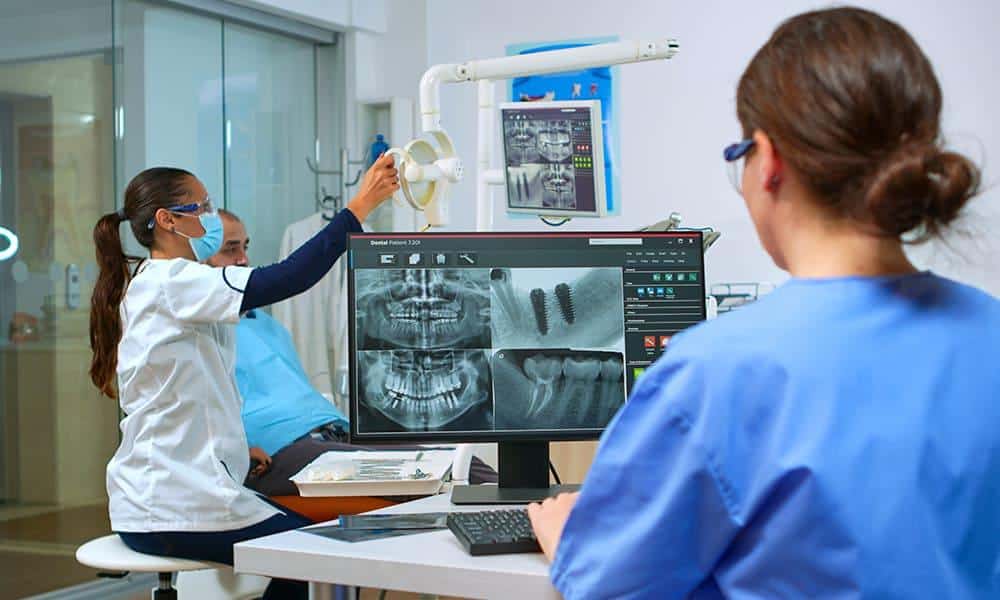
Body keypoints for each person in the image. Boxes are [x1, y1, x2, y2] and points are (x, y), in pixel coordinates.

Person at [527, 8, 999, 599]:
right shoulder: (988, 334)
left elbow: (611, 587)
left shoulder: (714, 373)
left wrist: (570, 543)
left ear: (768, 161)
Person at [89, 154, 398, 600]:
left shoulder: (166, 283)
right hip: (176, 506)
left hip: (165, 500)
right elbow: (290, 277)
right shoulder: (171, 281)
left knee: (297, 559)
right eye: (203, 206)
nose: (212, 216)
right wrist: (360, 207)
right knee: (308, 554)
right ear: (166, 220)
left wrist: (234, 448)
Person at [207, 208, 498, 495]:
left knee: (467, 465)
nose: (243, 259)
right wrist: (238, 451)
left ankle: (539, 526)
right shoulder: (200, 331)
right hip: (279, 452)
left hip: (334, 431)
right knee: (426, 477)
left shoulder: (266, 324)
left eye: (244, 247)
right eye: (230, 250)